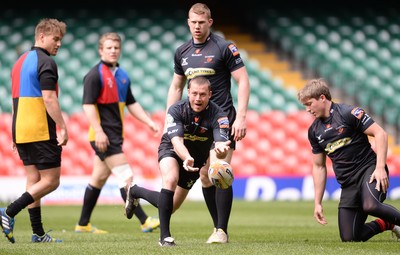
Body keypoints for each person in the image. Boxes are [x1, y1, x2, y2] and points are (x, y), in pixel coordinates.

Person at [164, 3, 250, 244]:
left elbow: (243, 81)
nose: (197, 26)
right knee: (204, 176)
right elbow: (176, 87)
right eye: (193, 22)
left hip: (222, 120)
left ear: (210, 22)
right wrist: (168, 121)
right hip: (196, 124)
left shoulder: (224, 47)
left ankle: (221, 231)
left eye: (201, 22)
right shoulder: (182, 51)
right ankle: (217, 228)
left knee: (218, 169)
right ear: (188, 22)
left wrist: (241, 117)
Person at [125, 76, 231, 246]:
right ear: (188, 92)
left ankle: (135, 191)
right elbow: (176, 142)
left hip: (195, 160)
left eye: (203, 94)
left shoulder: (219, 116)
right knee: (170, 179)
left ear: (210, 94)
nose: (198, 98)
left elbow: (219, 140)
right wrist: (186, 157)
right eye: (194, 93)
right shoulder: (176, 110)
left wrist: (220, 149)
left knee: (170, 206)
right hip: (173, 149)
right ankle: (164, 237)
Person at [74, 32, 160, 234]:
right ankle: (145, 221)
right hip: (103, 137)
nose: (113, 51)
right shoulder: (94, 75)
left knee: (98, 179)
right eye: (109, 47)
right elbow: (87, 106)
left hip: (113, 137)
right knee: (126, 177)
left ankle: (83, 224)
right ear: (100, 50)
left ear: (120, 50)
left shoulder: (122, 75)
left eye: (116, 48)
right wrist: (99, 132)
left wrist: (149, 122)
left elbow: (131, 103)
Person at [297, 78, 400, 242]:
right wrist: (318, 202)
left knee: (371, 205)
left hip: (369, 170)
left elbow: (380, 134)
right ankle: (388, 224)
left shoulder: (348, 113)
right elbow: (319, 167)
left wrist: (380, 168)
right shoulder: (314, 131)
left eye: (309, 104)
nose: (308, 109)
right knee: (350, 237)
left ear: (322, 98)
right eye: (305, 106)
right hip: (348, 183)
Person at [0, 18, 68, 244]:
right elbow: (49, 98)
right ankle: (8, 212)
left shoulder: (19, 62)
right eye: (55, 39)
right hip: (40, 128)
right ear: (41, 37)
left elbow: (14, 100)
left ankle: (38, 233)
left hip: (21, 128)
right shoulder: (46, 62)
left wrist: (14, 131)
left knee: (33, 179)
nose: (58, 44)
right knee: (51, 181)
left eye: (60, 40)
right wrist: (63, 126)